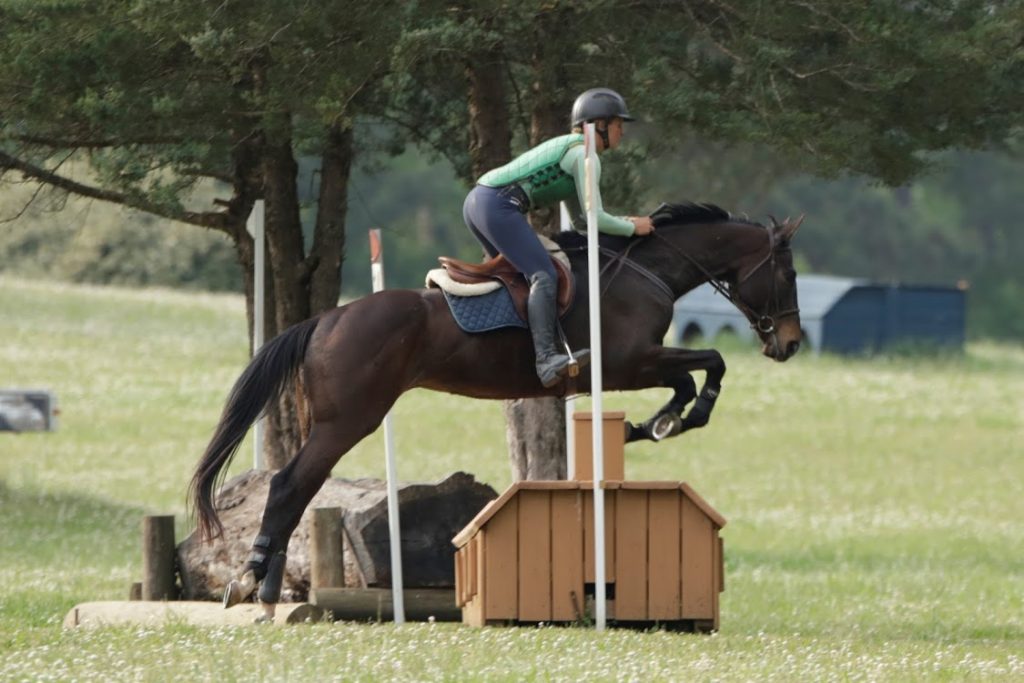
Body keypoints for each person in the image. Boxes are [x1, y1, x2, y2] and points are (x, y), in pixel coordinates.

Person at [462, 87, 655, 388]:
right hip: (497, 205)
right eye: (618, 124)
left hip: (480, 202)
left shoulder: (575, 150)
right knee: (544, 275)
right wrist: (633, 227)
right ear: (598, 125)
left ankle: (516, 348)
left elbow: (582, 220)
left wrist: (623, 222)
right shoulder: (584, 155)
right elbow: (596, 218)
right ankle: (545, 360)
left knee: (517, 280)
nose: (622, 132)